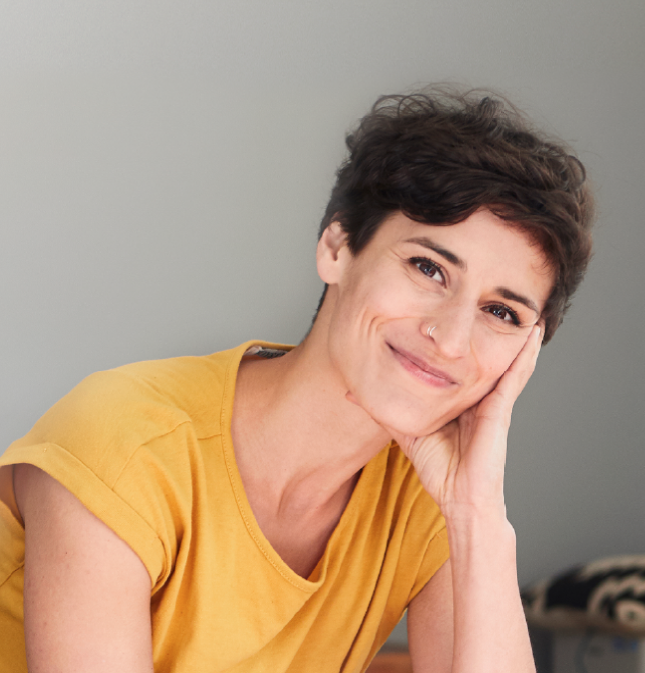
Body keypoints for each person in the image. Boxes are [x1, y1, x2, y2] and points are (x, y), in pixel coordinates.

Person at [0, 87, 593, 673]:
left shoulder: (431, 500)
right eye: (428, 268)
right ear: (337, 246)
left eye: (501, 312)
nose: (453, 337)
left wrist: (478, 514)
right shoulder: (127, 442)